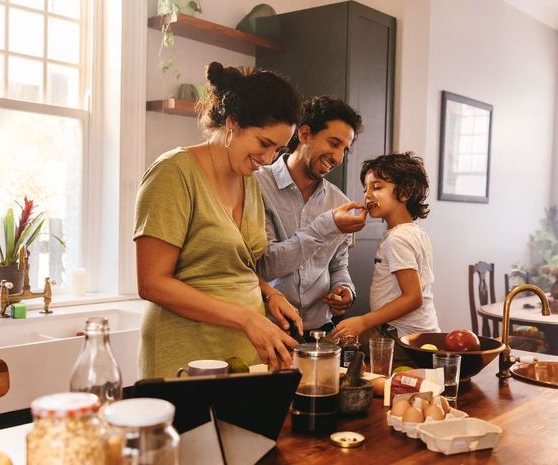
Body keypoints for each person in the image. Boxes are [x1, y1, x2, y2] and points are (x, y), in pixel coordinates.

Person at [133, 62, 303, 378]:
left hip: (242, 356)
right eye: (264, 144)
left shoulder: (249, 180)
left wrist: (269, 293)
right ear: (232, 123)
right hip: (185, 356)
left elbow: (228, 265)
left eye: (278, 150)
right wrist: (247, 319)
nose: (268, 160)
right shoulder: (173, 173)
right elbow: (152, 283)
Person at [255, 96, 367, 336]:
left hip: (320, 332)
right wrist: (326, 225)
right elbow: (265, 265)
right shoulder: (256, 186)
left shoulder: (340, 202)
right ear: (304, 134)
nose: (338, 158)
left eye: (344, 150)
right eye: (334, 143)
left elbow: (338, 265)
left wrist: (344, 289)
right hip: (269, 329)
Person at [331, 152, 440, 347]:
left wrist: (364, 321)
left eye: (377, 187)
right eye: (365, 189)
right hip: (416, 335)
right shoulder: (414, 232)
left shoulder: (397, 239)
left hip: (400, 338)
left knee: (331, 346)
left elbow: (413, 298)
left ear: (405, 193)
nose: (367, 195)